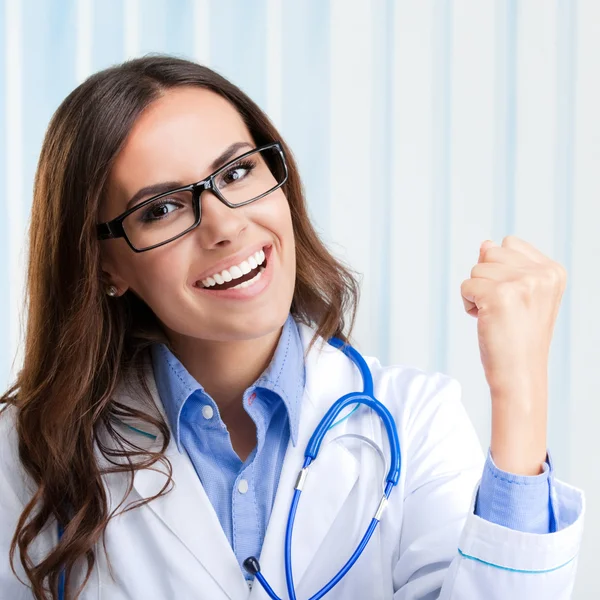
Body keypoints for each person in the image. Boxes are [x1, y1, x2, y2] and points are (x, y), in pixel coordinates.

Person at [0, 55, 583, 600]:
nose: (225, 226)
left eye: (236, 171)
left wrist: (521, 393)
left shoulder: (416, 422)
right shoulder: (27, 451)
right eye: (161, 209)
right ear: (105, 265)